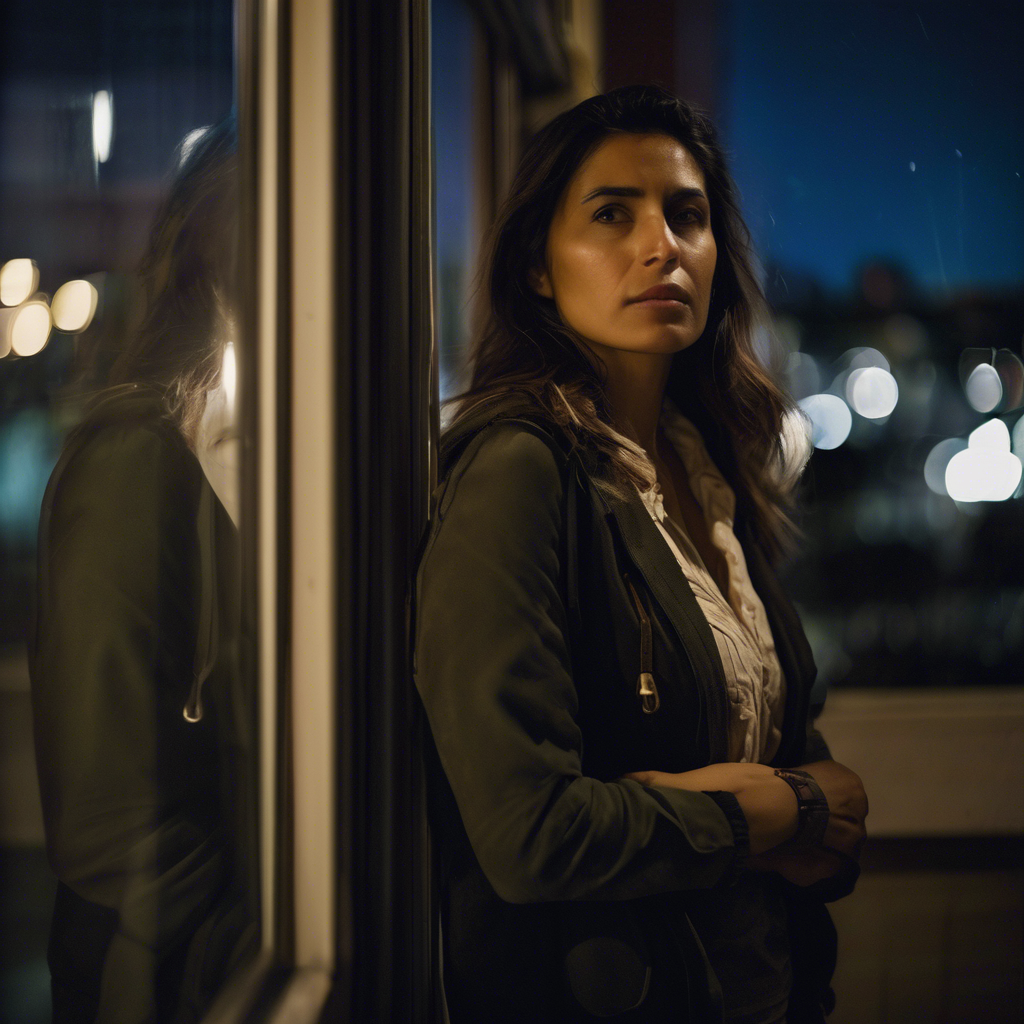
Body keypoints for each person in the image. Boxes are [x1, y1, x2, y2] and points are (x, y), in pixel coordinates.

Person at [413, 85, 868, 1024]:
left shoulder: (712, 469)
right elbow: (529, 834)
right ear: (539, 267)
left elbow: (830, 793)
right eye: (612, 214)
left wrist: (766, 803)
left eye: (687, 215)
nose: (662, 245)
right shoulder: (519, 470)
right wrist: (768, 815)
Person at [29, 117, 257, 1024]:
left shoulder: (307, 459)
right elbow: (108, 821)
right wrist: (256, 943)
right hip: (182, 978)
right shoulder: (142, 456)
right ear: (211, 242)